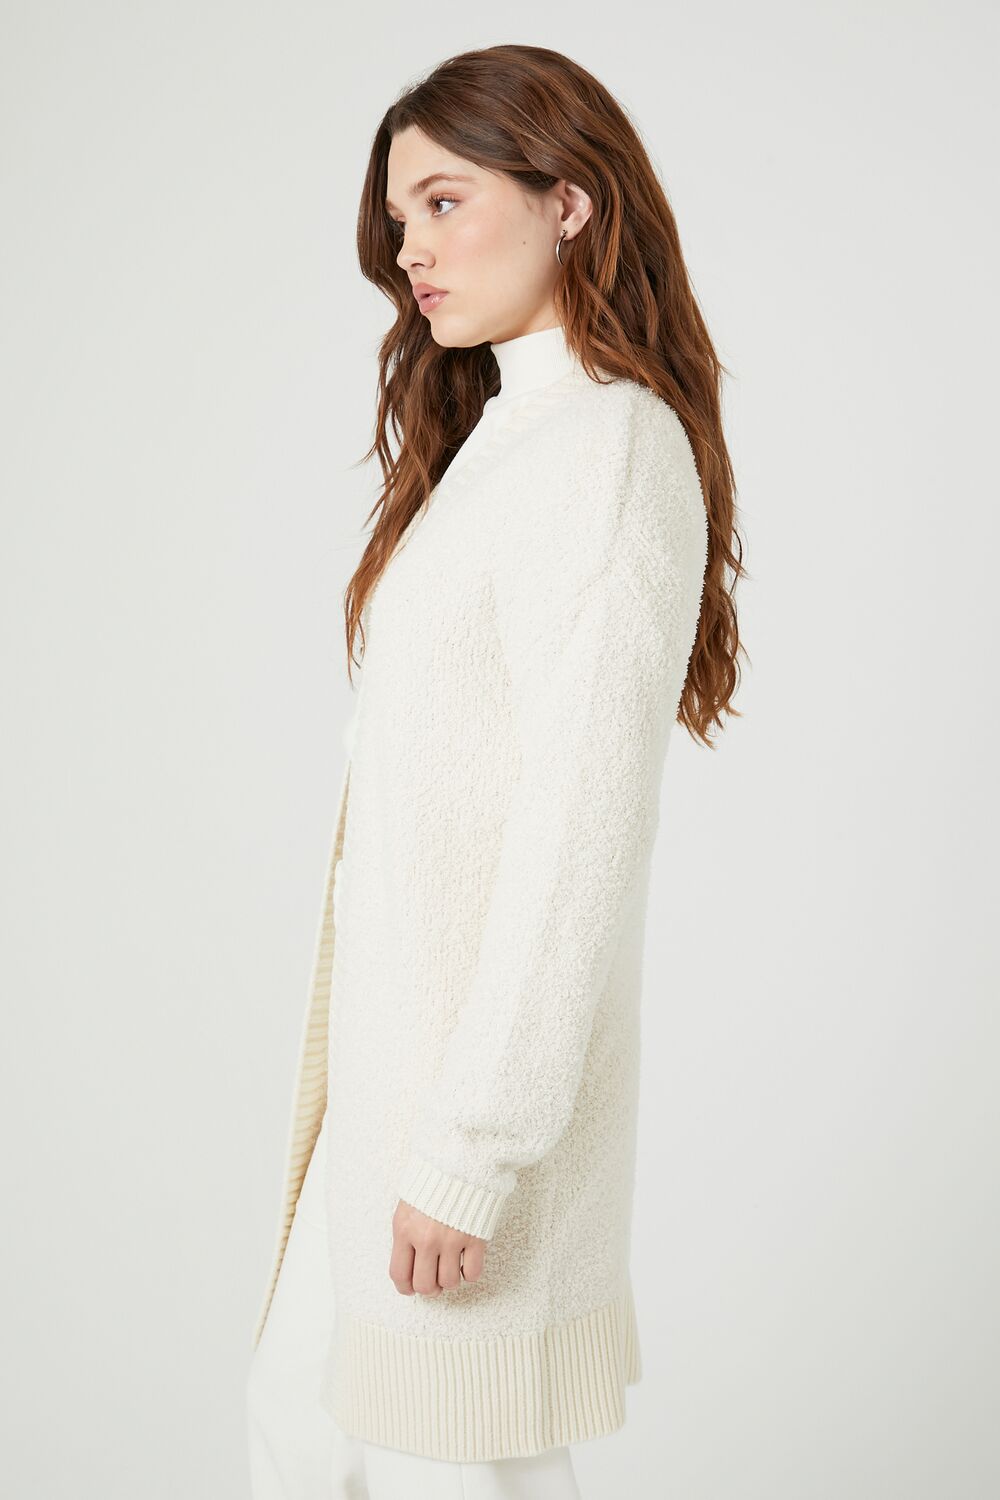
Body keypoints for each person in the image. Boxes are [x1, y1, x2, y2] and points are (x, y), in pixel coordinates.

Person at [247, 41, 745, 1499]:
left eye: (445, 203)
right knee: (294, 1440)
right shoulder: (504, 441)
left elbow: (579, 837)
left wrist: (471, 1151)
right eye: (399, 217)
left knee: (445, 1469)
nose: (410, 249)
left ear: (568, 203)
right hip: (383, 1119)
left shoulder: (612, 450)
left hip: (459, 1147)